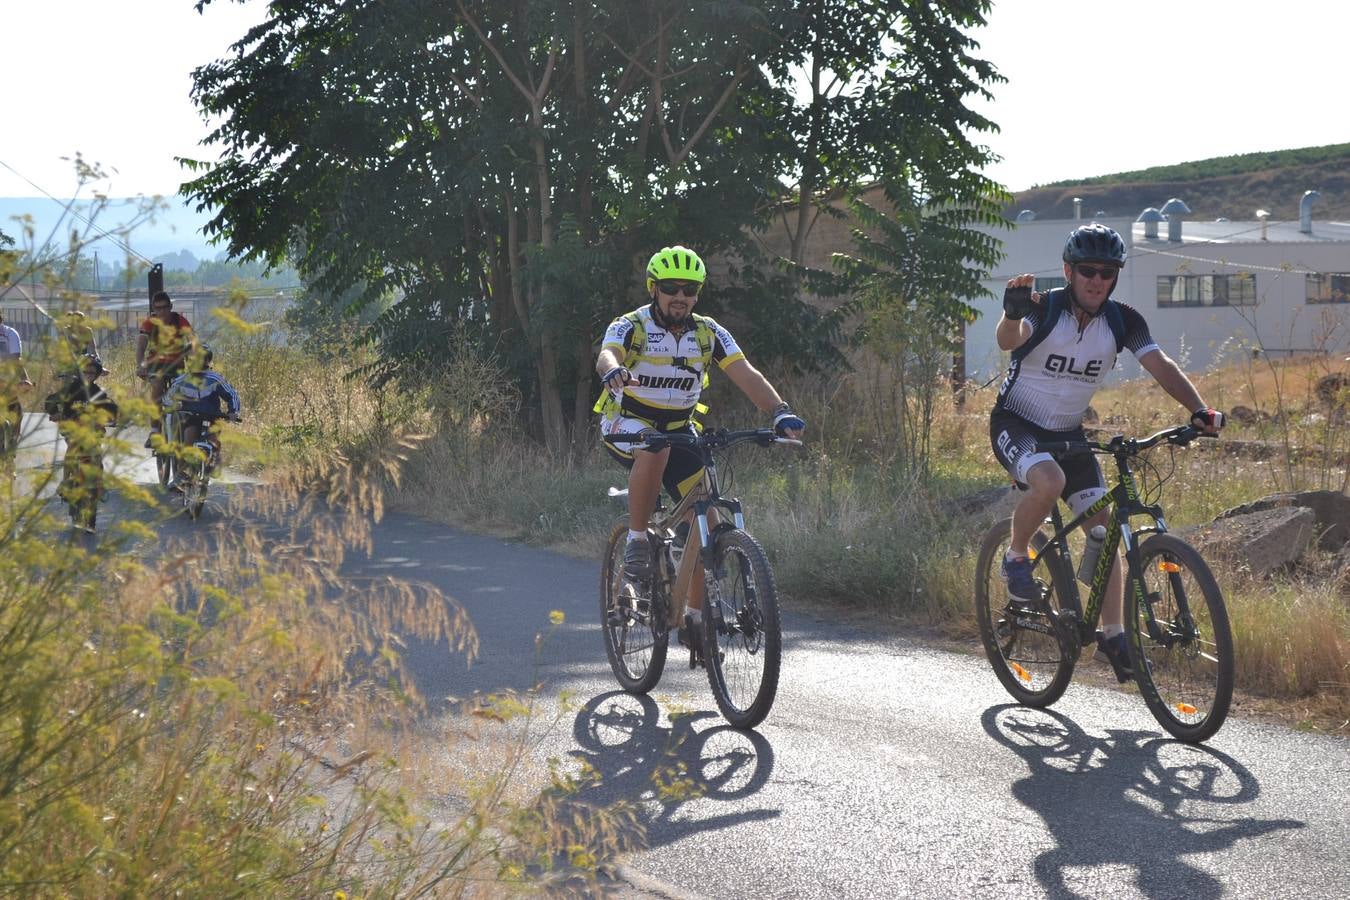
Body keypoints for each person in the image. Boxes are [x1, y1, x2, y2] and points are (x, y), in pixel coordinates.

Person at [990, 223, 1225, 682]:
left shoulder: (1123, 320)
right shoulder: (1045, 306)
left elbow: (1161, 365)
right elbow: (1008, 340)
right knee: (1049, 481)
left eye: (1107, 272)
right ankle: (1016, 555)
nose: (1097, 280)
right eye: (1087, 270)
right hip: (1017, 423)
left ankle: (1113, 635)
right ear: (1068, 271)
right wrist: (1012, 314)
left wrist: (1199, 409)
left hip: (1070, 433)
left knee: (1106, 527)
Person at [595, 245, 805, 650]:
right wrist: (613, 370)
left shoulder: (708, 332)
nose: (681, 297)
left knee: (701, 524)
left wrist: (779, 411)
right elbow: (608, 353)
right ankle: (638, 540)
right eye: (672, 288)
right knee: (653, 448)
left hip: (680, 428)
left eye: (690, 290)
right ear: (654, 288)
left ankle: (694, 618)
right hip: (627, 425)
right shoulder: (631, 325)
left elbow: (746, 373)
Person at [44, 353, 119, 526]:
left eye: (92, 373)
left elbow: (113, 408)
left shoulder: (99, 393)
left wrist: (115, 418)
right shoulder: (71, 389)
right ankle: (65, 481)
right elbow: (51, 400)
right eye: (85, 371)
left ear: (97, 374)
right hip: (73, 430)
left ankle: (99, 484)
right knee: (72, 451)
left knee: (97, 458)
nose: (88, 375)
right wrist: (54, 412)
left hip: (93, 433)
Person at [161, 345, 241, 481]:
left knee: (214, 440)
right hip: (191, 417)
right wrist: (176, 405)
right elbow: (167, 398)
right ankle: (181, 475)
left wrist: (233, 411)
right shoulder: (181, 380)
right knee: (187, 442)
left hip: (212, 417)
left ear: (207, 361)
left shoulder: (216, 379)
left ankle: (214, 462)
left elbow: (232, 395)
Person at [135, 291, 194, 446]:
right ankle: (155, 431)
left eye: (165, 308)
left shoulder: (180, 320)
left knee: (185, 393)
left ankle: (184, 427)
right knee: (158, 386)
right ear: (154, 308)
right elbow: (141, 346)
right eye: (158, 308)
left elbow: (192, 342)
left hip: (177, 364)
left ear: (171, 307)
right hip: (156, 365)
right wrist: (140, 365)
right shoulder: (150, 323)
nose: (161, 312)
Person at [0, 308, 34, 454]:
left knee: (16, 410)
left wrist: (25, 380)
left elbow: (15, 360)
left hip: (6, 378)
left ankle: (13, 443)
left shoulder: (9, 333)